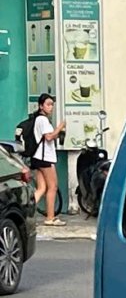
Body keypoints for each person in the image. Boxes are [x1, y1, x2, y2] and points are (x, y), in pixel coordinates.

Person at [29, 94, 66, 227]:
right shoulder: (43, 120)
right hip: (45, 158)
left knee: (41, 188)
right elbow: (49, 137)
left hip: (38, 157)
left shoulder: (38, 119)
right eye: (48, 104)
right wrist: (60, 128)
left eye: (52, 105)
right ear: (41, 106)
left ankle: (25, 211)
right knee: (53, 187)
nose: (51, 107)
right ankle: (50, 217)